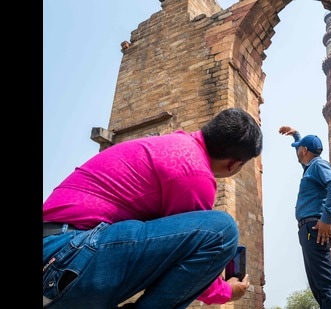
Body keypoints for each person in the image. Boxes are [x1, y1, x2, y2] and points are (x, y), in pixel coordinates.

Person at [43, 107, 263, 308]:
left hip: (61, 255)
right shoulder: (194, 172)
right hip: (62, 259)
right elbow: (200, 261)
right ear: (234, 164)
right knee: (221, 231)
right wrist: (227, 291)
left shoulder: (173, 147)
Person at [279, 126, 331, 309]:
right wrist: (296, 135)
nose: (298, 150)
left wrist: (326, 218)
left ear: (305, 150)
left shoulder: (318, 165)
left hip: (315, 227)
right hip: (308, 229)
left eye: (299, 147)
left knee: (325, 284)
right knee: (318, 285)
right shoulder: (310, 167)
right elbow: (302, 159)